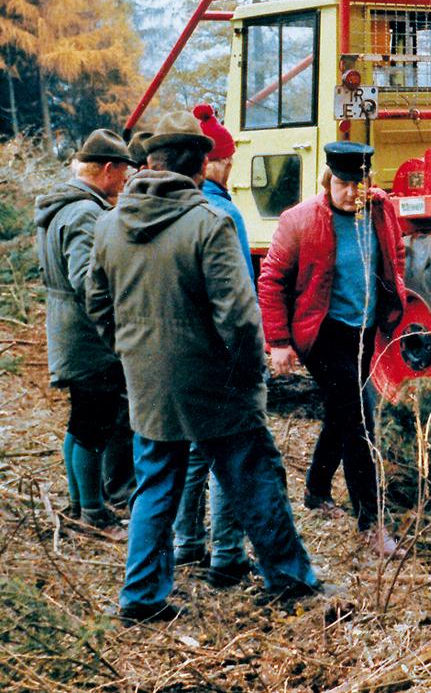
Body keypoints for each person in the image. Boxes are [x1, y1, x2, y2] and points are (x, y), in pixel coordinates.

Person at [87, 111, 322, 624]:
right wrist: (246, 376)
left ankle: (142, 598)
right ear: (201, 167)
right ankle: (290, 578)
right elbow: (239, 319)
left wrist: (131, 354)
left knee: (155, 486)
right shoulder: (209, 224)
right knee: (254, 477)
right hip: (216, 387)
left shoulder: (107, 226)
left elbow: (97, 306)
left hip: (149, 385)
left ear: (149, 163)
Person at [259, 142, 409, 557]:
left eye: (358, 184)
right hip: (321, 332)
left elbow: (394, 253)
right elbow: (271, 280)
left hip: (362, 330)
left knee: (343, 413)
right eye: (343, 184)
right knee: (359, 421)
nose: (351, 193)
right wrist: (279, 342)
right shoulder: (301, 220)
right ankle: (371, 524)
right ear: (329, 180)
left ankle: (315, 490)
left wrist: (392, 296)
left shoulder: (381, 211)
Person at [35, 130, 136, 539]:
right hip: (88, 337)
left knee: (81, 422)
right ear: (108, 169)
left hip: (69, 329)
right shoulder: (85, 214)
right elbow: (87, 281)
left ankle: (81, 505)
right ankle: (93, 511)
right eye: (125, 171)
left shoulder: (65, 205)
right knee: (93, 423)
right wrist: (115, 324)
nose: (128, 179)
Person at [170, 105, 254, 588]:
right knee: (226, 454)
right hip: (220, 353)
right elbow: (239, 288)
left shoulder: (173, 210)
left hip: (182, 352)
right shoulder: (224, 213)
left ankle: (186, 543)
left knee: (192, 453)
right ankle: (227, 554)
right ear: (215, 162)